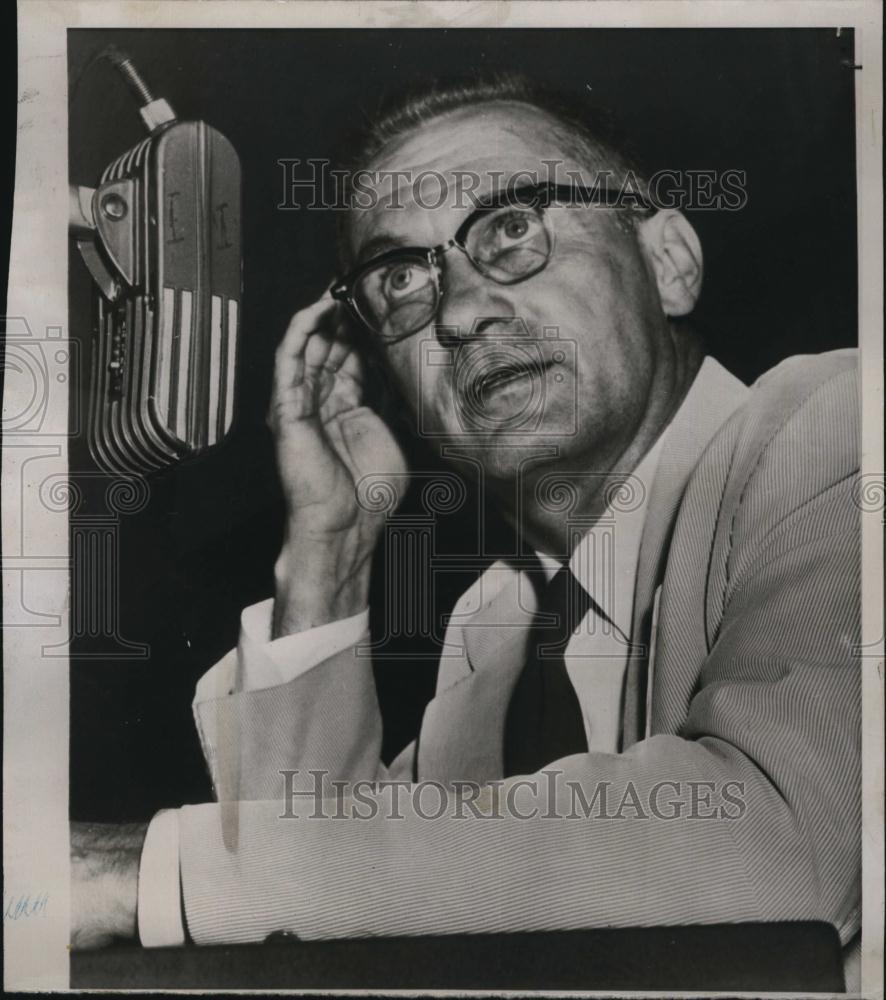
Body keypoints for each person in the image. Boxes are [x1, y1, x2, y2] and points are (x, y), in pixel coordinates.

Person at [72, 75, 860, 974]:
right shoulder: (493, 636)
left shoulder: (837, 431)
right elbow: (317, 927)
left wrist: (156, 873)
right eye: (402, 278)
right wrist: (331, 551)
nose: (457, 310)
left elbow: (784, 841)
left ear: (669, 262)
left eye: (513, 227)